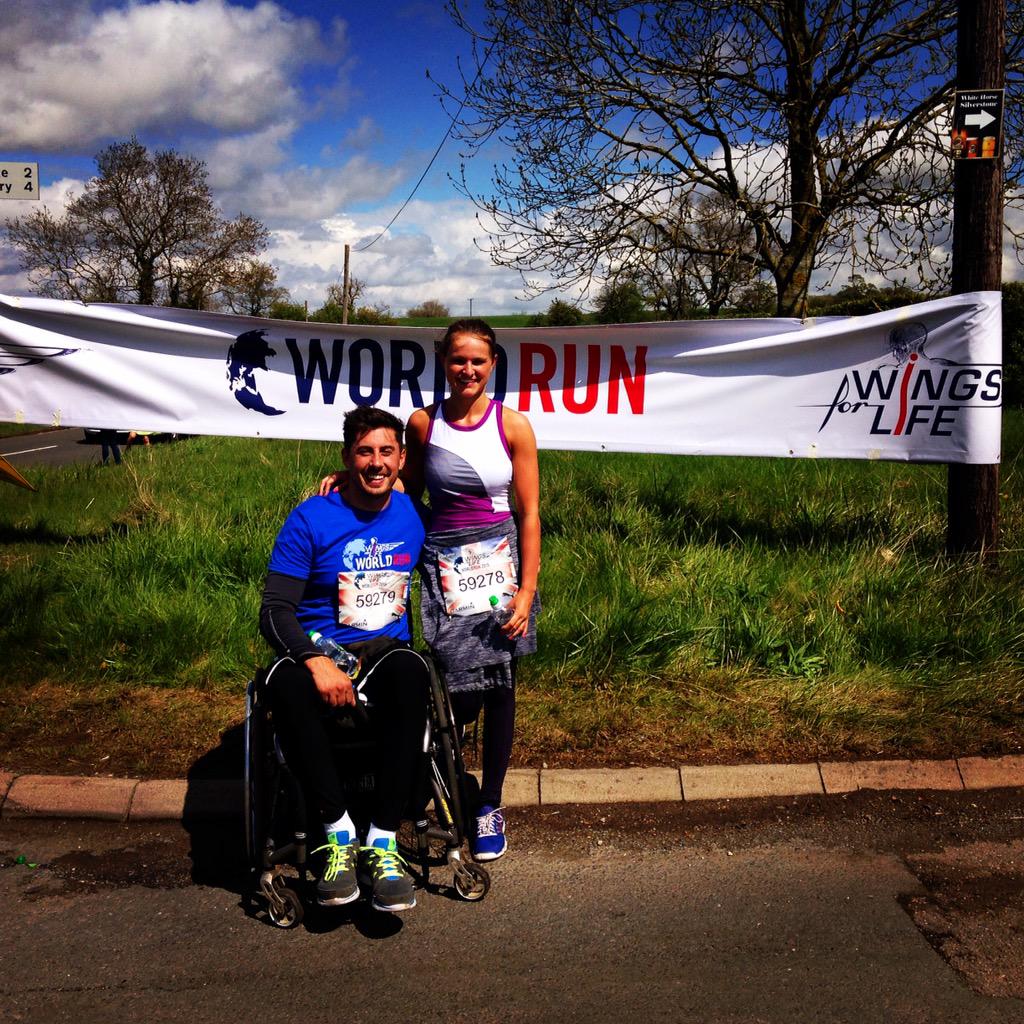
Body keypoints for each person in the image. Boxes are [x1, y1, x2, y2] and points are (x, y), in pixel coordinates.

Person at [321, 318, 541, 862]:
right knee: (450, 688)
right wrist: (348, 479)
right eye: (458, 360)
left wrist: (527, 591)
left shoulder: (514, 426)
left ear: (493, 366)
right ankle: (440, 780)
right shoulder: (423, 423)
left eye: (479, 361)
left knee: (499, 683)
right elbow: (403, 482)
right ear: (443, 363)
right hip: (443, 562)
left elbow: (530, 511)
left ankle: (489, 803)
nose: (468, 369)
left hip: (498, 562)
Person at [260, 406, 429, 913]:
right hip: (321, 649)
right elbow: (274, 612)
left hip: (382, 656)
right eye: (364, 452)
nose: (375, 463)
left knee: (412, 670)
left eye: (385, 452)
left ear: (401, 459)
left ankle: (381, 841)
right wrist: (315, 661)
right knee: (284, 683)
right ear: (345, 458)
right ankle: (337, 833)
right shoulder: (311, 517)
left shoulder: (411, 513)